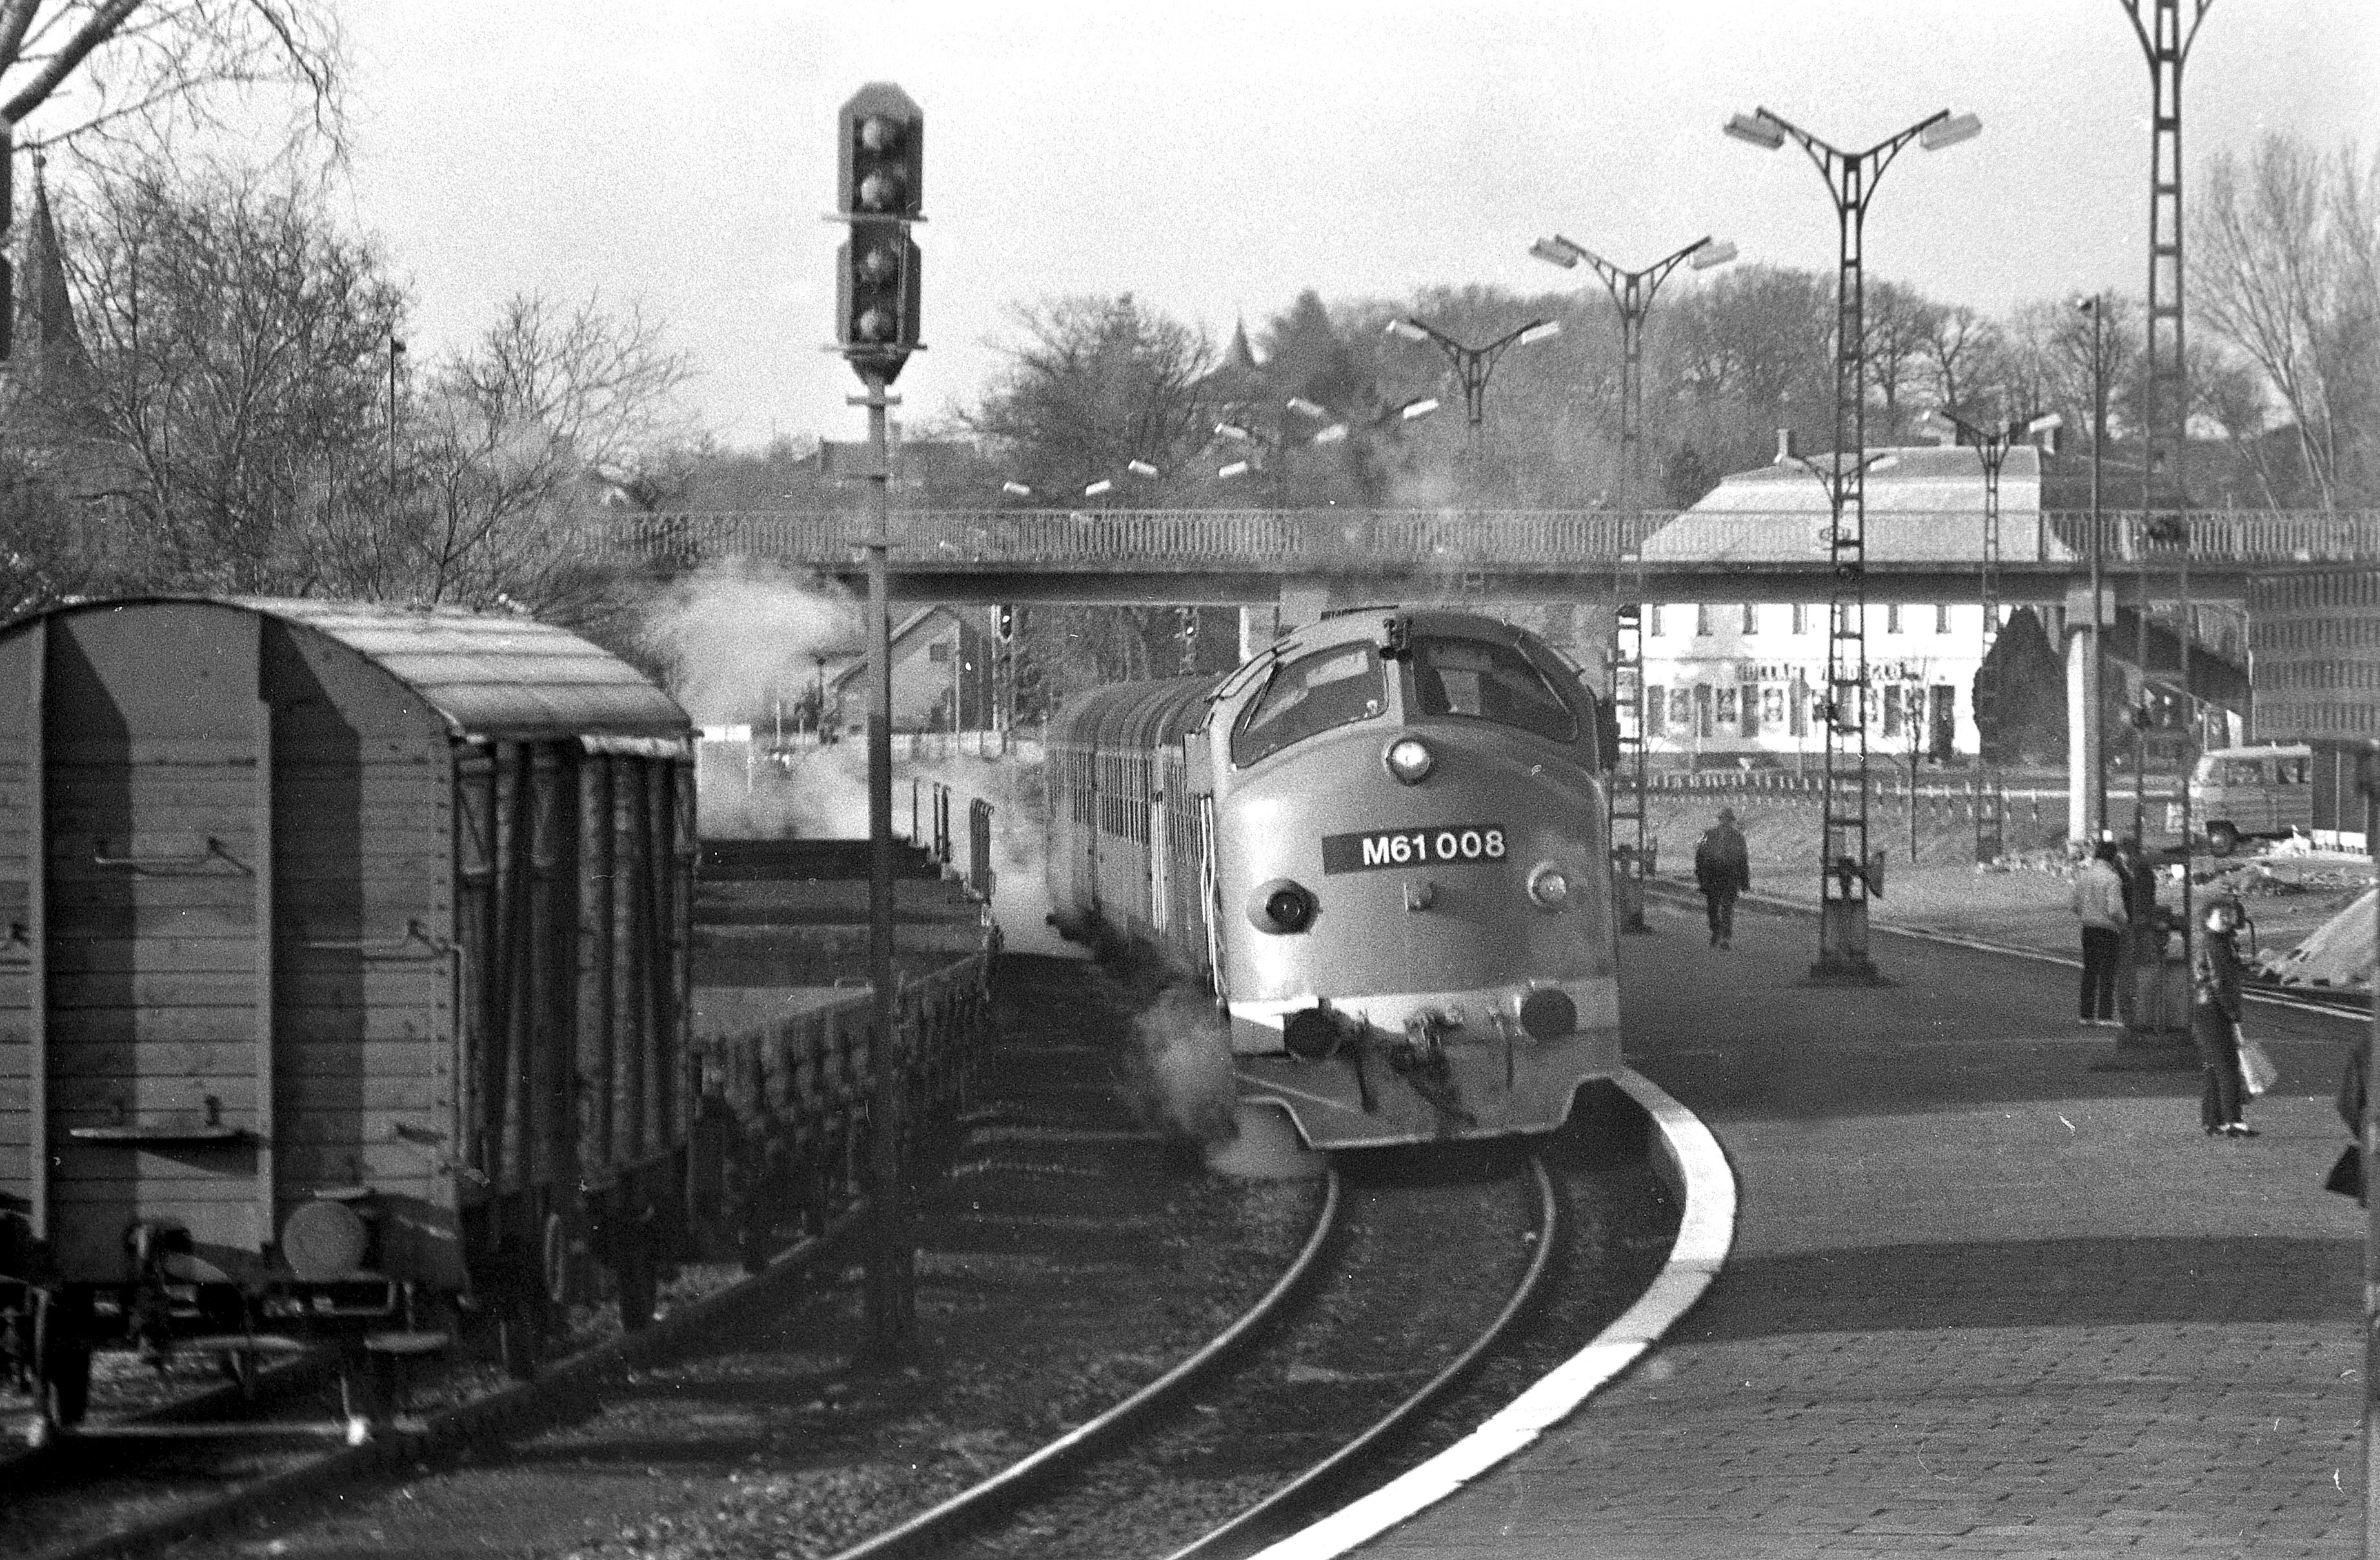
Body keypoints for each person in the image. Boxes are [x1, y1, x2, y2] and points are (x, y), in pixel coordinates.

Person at [2192, 898, 2254, 1138]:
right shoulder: (2216, 944)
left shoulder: (2220, 942)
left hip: (2206, 1007)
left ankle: (2213, 1120)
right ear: (2208, 920)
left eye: (2230, 915)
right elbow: (2220, 983)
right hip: (2215, 1009)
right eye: (2222, 916)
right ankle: (2233, 1121)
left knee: (2214, 1066)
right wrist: (2233, 1014)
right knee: (2228, 1065)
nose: (2228, 920)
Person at [2068, 839, 2128, 1027]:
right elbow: (2114, 909)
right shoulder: (2112, 878)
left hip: (2088, 928)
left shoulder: (2084, 876)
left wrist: (2086, 913)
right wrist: (2125, 923)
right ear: (2113, 857)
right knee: (2108, 972)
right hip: (2108, 929)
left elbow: (2074, 905)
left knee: (2090, 971)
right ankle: (2105, 1015)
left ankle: (2086, 1014)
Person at [1693, 806, 1752, 948]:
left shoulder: (1738, 838)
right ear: (1720, 820)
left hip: (1730, 875)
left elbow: (1743, 859)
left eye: (1728, 820)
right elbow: (1700, 855)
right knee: (1712, 906)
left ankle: (1725, 936)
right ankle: (1715, 931)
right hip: (1713, 875)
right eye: (1723, 820)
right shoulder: (1709, 834)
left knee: (1727, 907)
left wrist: (1744, 881)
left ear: (1731, 822)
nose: (1725, 823)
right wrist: (1701, 875)